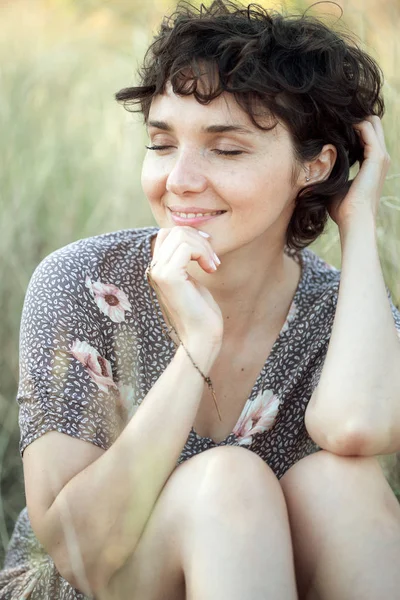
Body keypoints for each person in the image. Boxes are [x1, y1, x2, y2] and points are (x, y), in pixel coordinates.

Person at [1, 0, 400, 598]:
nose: (180, 179)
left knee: (339, 485)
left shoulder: (343, 313)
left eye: (227, 149)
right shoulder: (83, 282)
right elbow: (81, 557)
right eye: (162, 144)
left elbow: (354, 428)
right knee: (227, 483)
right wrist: (196, 348)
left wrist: (359, 220)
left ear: (314, 166)